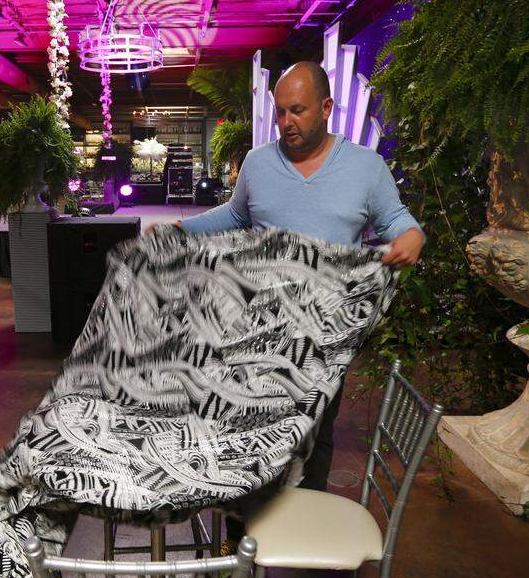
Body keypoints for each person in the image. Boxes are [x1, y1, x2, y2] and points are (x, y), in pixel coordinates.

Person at [163, 60, 425, 553]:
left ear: (326, 107)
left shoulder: (366, 168)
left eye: (298, 110)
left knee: (315, 436)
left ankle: (301, 533)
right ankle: (239, 543)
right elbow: (236, 215)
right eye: (281, 111)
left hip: (326, 337)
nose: (287, 121)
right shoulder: (260, 164)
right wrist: (182, 230)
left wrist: (412, 236)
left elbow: (396, 219)